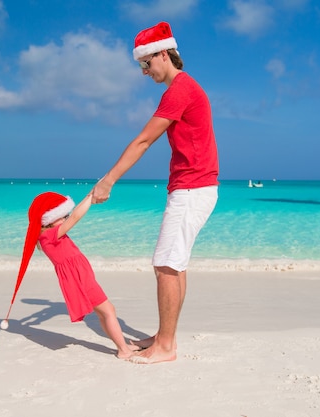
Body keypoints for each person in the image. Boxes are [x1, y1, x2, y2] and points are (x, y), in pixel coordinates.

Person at [91, 21, 219, 364]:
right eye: (141, 66)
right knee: (174, 266)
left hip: (193, 188)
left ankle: (166, 347)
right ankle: (165, 337)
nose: (144, 72)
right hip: (194, 186)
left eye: (146, 64)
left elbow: (144, 140)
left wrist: (108, 180)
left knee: (164, 265)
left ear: (164, 54)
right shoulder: (186, 88)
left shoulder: (180, 90)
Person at [10, 191, 139, 359]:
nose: (65, 218)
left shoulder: (47, 236)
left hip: (79, 275)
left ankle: (121, 346)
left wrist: (33, 319)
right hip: (78, 278)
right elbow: (75, 217)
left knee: (103, 313)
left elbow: (40, 315)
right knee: (108, 310)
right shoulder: (49, 236)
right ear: (48, 219)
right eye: (62, 215)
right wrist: (90, 197)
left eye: (66, 215)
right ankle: (123, 349)